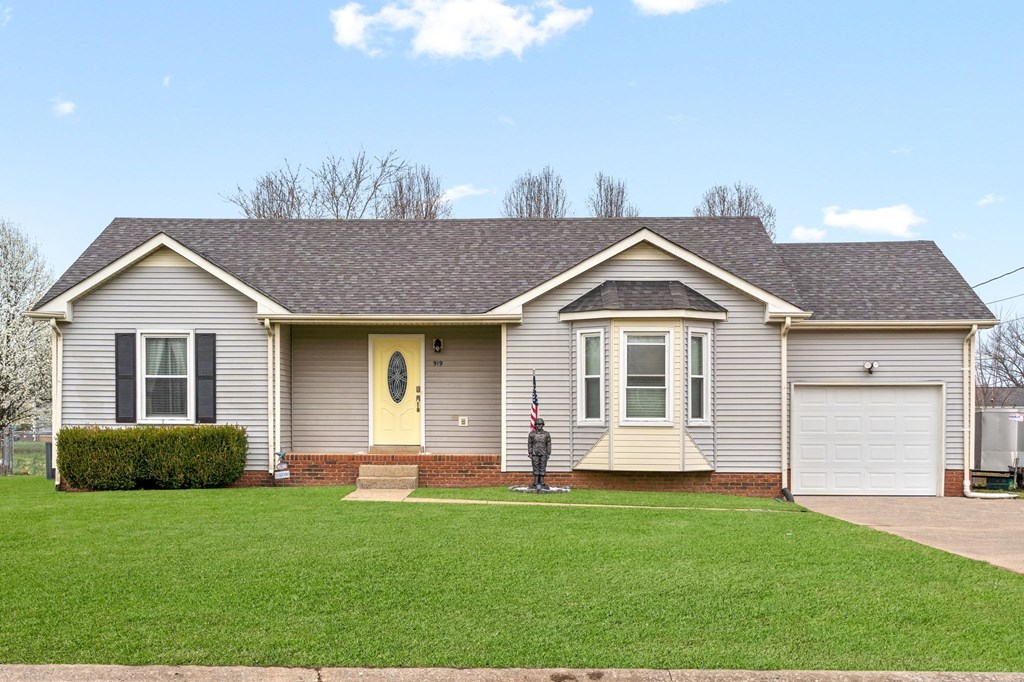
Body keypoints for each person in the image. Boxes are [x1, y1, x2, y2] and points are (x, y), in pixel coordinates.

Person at [527, 418, 551, 490]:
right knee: (535, 466)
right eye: (537, 424)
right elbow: (529, 444)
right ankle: (536, 481)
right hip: (535, 453)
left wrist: (548, 453)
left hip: (544, 453)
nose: (539, 426)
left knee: (543, 466)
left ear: (543, 425)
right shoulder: (532, 434)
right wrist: (530, 453)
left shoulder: (546, 434)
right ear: (535, 425)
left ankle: (542, 482)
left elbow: (548, 444)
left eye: (540, 424)